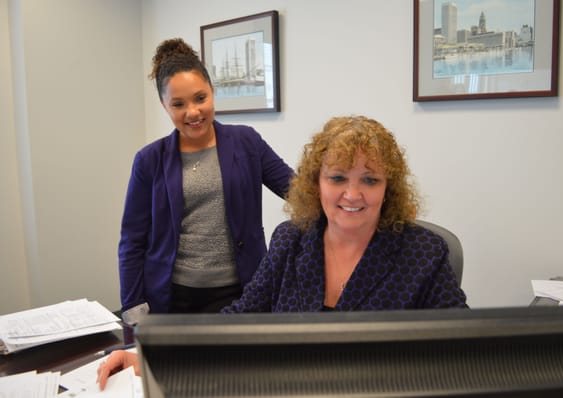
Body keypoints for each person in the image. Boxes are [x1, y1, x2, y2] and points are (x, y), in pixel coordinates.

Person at [98, 115, 467, 389]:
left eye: (370, 180)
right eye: (337, 178)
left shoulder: (423, 254)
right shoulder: (291, 240)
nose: (352, 195)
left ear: (389, 187)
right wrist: (152, 356)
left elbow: (467, 350)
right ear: (315, 183)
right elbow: (238, 318)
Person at [118, 38, 293, 325]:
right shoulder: (149, 160)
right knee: (179, 371)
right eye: (178, 104)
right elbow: (132, 240)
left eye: (200, 98)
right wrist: (134, 308)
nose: (193, 112)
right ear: (164, 105)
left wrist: (345, 192)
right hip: (172, 298)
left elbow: (296, 189)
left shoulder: (246, 141)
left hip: (241, 293)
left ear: (212, 92)